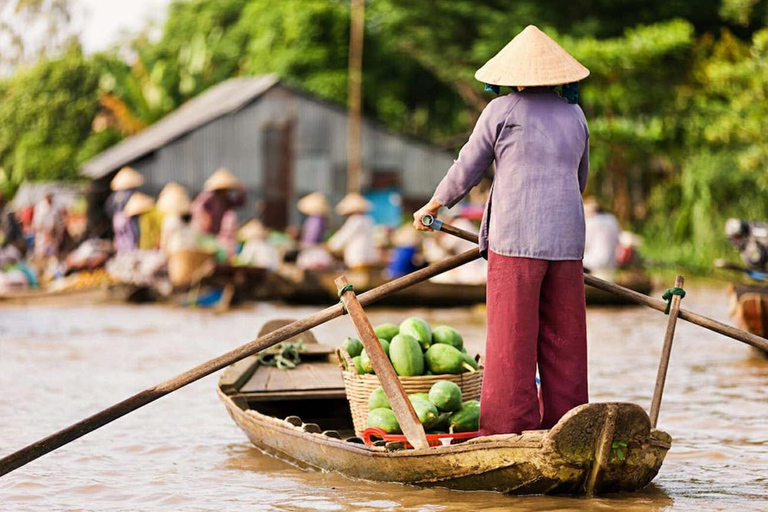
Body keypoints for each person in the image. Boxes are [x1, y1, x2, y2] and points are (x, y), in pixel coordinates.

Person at [413, 25, 591, 435]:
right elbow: (579, 180)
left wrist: (434, 205)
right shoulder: (575, 115)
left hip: (515, 242)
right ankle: (568, 429)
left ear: (515, 76)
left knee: (512, 341)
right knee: (565, 343)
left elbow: (468, 167)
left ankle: (508, 431)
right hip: (567, 242)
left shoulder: (502, 110)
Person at [328, 193, 378, 269]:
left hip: (357, 258)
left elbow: (343, 237)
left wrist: (330, 246)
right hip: (370, 257)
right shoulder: (368, 220)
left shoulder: (355, 220)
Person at [191, 168, 246, 235]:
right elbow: (197, 207)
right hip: (207, 230)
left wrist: (241, 191)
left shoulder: (224, 199)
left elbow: (239, 203)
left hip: (217, 231)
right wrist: (205, 218)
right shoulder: (209, 196)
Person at [107, 166, 143, 254]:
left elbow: (109, 209)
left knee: (120, 238)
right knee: (131, 237)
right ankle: (131, 253)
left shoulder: (114, 196)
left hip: (117, 220)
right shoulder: (131, 194)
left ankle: (122, 253)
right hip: (128, 218)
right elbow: (136, 207)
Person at [583, 197, 621, 276]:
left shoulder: (590, 222)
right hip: (611, 264)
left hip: (592, 265)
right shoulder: (612, 219)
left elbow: (583, 245)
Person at [156, 182, 191, 253]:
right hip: (183, 250)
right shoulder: (180, 220)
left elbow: (165, 241)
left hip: (175, 251)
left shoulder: (170, 220)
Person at [32, 193, 59, 259]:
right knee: (41, 256)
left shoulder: (54, 207)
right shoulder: (40, 208)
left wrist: (53, 234)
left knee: (52, 257)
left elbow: (57, 222)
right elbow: (36, 225)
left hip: (52, 237)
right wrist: (46, 233)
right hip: (42, 237)